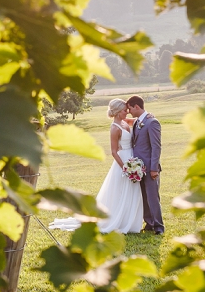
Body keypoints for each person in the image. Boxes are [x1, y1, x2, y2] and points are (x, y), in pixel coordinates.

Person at [50, 98, 144, 234]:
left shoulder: (124, 122)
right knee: (120, 192)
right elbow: (113, 152)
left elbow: (139, 122)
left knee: (131, 191)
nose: (127, 113)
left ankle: (128, 220)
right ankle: (116, 219)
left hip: (132, 157)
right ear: (118, 112)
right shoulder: (115, 128)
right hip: (123, 161)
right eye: (125, 110)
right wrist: (126, 167)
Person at [126, 95, 164, 234]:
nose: (129, 111)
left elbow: (156, 147)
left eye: (130, 108)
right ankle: (149, 223)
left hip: (150, 167)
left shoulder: (152, 122)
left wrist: (154, 168)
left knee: (153, 197)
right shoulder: (137, 122)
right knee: (144, 197)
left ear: (137, 107)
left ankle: (159, 227)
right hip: (138, 168)